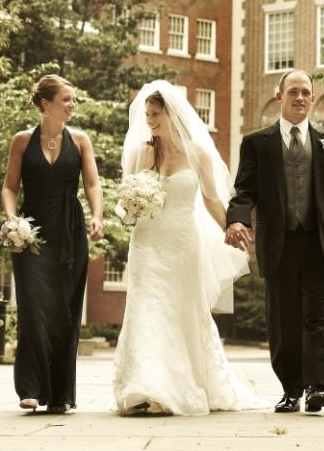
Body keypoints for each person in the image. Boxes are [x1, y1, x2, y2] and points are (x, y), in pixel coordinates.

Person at [113, 80, 265, 416]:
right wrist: (128, 207)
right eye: (147, 114)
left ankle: (180, 382)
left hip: (182, 243)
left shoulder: (197, 152)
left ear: (171, 113)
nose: (150, 120)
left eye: (155, 114)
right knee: (145, 309)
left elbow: (211, 199)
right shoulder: (142, 151)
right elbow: (127, 198)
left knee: (181, 311)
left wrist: (231, 224)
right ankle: (144, 386)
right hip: (147, 242)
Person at [225, 69, 324, 414]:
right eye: (293, 92)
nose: (300, 98)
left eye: (306, 92)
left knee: (315, 315)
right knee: (284, 321)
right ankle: (291, 389)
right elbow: (245, 191)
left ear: (312, 98)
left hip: (318, 242)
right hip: (279, 243)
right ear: (279, 97)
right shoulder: (258, 142)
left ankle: (316, 387)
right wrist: (237, 220)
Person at [1, 74, 104, 413]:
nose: (72, 105)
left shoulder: (81, 140)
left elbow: (92, 184)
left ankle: (60, 394)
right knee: (33, 308)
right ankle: (30, 388)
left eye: (73, 100)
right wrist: (13, 220)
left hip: (70, 232)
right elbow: (9, 187)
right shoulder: (21, 141)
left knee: (64, 312)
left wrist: (97, 216)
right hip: (31, 233)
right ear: (46, 104)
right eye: (66, 99)